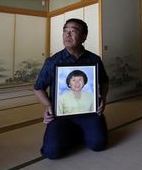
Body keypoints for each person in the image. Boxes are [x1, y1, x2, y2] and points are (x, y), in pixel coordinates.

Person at [34, 18, 109, 159]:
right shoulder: (53, 61)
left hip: (88, 112)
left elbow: (104, 82)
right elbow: (38, 88)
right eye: (65, 31)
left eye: (73, 31)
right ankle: (73, 132)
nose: (67, 35)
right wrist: (49, 106)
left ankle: (79, 131)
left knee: (98, 144)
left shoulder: (94, 59)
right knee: (51, 152)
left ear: (83, 37)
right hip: (60, 114)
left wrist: (103, 99)